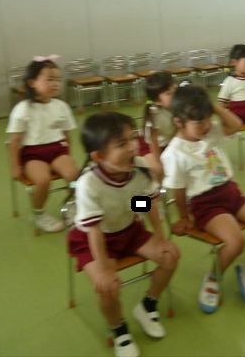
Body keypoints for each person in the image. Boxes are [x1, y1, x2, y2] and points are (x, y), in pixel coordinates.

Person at [67, 112, 179, 357]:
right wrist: (104, 269)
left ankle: (148, 305)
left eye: (133, 138)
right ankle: (119, 330)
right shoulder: (89, 184)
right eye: (121, 144)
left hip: (129, 229)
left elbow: (142, 203)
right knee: (107, 288)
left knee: (170, 255)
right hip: (94, 239)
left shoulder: (139, 169)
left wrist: (160, 236)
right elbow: (94, 230)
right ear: (98, 156)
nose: (133, 147)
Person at [161, 85, 245, 313]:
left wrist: (214, 107)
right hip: (207, 206)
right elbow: (178, 191)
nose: (206, 126)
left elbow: (236, 125)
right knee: (237, 242)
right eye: (199, 122)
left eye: (208, 119)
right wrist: (184, 217)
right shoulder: (175, 153)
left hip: (231, 194)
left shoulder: (212, 131)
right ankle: (213, 277)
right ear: (178, 122)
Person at [6, 56, 78, 232]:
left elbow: (67, 135)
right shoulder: (23, 109)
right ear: (32, 82)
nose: (55, 83)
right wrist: (15, 166)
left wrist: (68, 156)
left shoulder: (61, 106)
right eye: (49, 79)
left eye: (58, 80)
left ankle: (74, 202)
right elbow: (14, 142)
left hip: (57, 150)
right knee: (43, 180)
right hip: (32, 154)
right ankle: (39, 213)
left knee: (74, 176)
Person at [137, 71, 177, 181]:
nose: (175, 96)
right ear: (157, 101)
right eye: (169, 94)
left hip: (167, 142)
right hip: (149, 145)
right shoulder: (155, 114)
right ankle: (157, 189)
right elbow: (153, 141)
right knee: (158, 170)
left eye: (175, 91)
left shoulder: (177, 105)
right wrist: (158, 161)